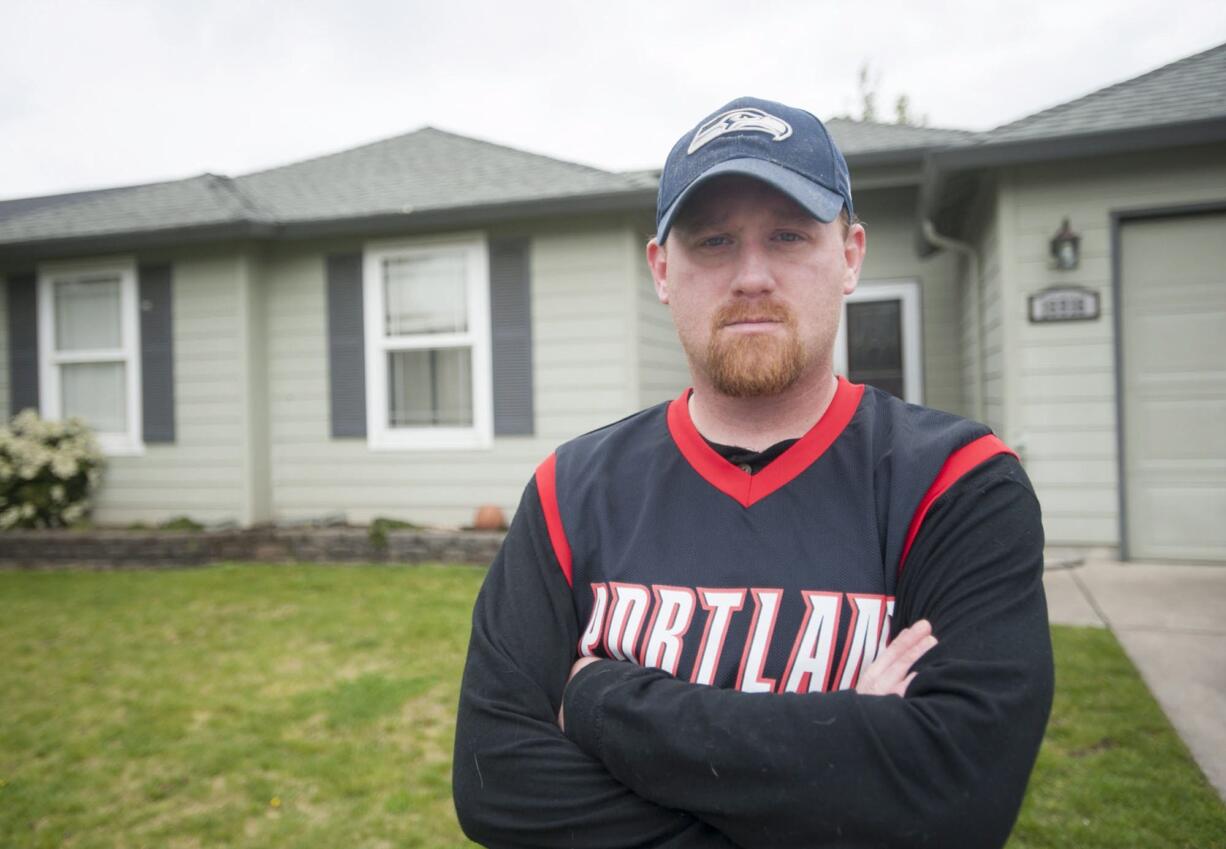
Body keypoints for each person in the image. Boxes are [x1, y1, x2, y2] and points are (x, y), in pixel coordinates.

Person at [452, 96, 1053, 849]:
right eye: (713, 241)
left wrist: (605, 700)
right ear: (663, 269)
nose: (752, 275)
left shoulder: (958, 484)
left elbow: (955, 798)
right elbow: (497, 784)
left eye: (789, 234)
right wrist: (849, 751)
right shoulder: (571, 492)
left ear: (851, 255)